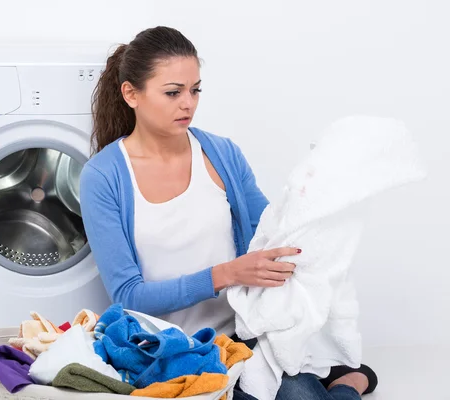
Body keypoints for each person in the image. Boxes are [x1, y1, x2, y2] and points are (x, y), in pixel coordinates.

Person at [79, 26, 377, 400]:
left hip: (239, 339)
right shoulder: (103, 176)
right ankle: (350, 381)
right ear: (131, 94)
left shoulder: (221, 153)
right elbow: (129, 295)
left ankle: (344, 378)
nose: (188, 103)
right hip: (161, 351)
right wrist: (225, 274)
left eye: (195, 89)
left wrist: (317, 204)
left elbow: (270, 232)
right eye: (173, 92)